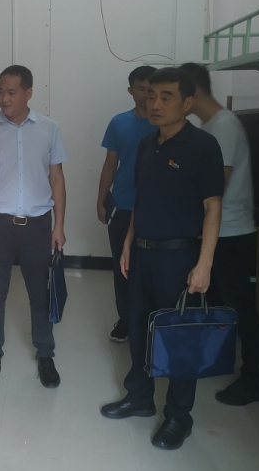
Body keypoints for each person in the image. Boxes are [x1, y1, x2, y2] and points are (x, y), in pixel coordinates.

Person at [100, 67, 225, 450]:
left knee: (179, 337)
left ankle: (178, 417)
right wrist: (128, 243)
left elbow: (213, 207)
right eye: (151, 95)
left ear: (187, 103)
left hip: (180, 257)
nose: (155, 103)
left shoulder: (203, 146)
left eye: (166, 97)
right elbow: (142, 199)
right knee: (138, 327)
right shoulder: (146, 145)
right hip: (142, 254)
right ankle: (139, 397)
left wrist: (204, 264)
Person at [0, 65, 67, 389]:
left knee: (39, 293)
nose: (4, 99)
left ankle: (45, 354)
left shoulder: (49, 129)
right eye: (0, 92)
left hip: (37, 226)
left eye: (11, 92)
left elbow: (57, 178)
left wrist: (59, 225)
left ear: (28, 93)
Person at [179, 62, 259, 406]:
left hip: (231, 232)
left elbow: (218, 184)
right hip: (218, 231)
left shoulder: (224, 126)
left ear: (193, 93)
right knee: (217, 301)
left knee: (240, 305)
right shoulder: (212, 125)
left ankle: (254, 379)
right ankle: (217, 360)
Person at [96, 65, 157, 343]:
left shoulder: (164, 123)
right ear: (131, 90)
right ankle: (126, 320)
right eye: (141, 89)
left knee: (151, 269)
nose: (146, 94)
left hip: (154, 208)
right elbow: (110, 164)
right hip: (122, 205)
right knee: (122, 267)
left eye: (150, 89)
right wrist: (101, 200)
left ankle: (151, 321)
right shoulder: (118, 123)